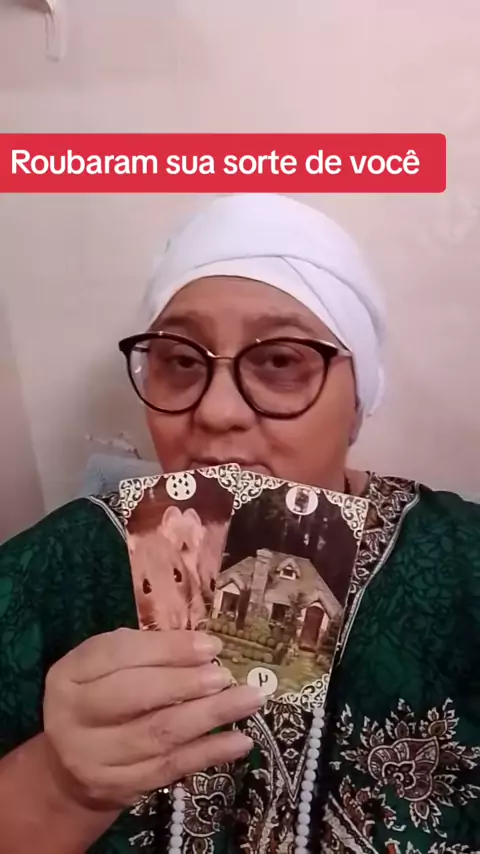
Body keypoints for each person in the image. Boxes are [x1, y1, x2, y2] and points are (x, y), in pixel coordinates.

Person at [0, 193, 479, 854]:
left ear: (359, 397)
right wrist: (61, 784)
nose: (217, 412)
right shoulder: (60, 566)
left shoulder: (461, 565)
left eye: (280, 361)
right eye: (180, 360)